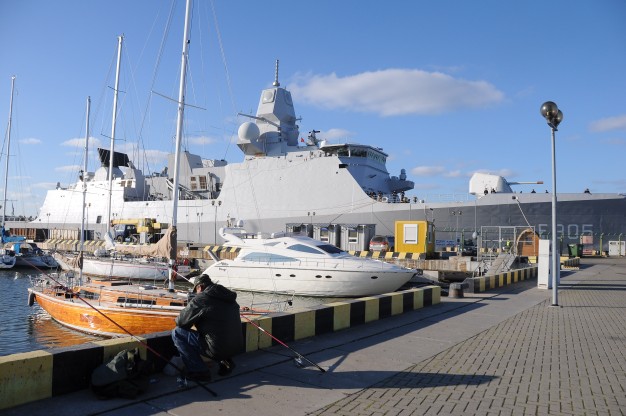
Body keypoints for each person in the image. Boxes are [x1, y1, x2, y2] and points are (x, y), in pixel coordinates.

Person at [171, 274, 243, 382]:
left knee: (177, 333)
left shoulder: (202, 298)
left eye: (196, 290)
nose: (196, 293)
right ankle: (225, 361)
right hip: (237, 346)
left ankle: (199, 371)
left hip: (218, 349)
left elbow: (181, 322)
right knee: (217, 331)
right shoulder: (228, 297)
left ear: (200, 287)